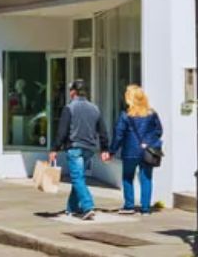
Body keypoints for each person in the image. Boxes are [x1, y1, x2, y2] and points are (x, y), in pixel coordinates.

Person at [46, 79, 111, 222]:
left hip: (74, 147)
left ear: (73, 92)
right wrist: (105, 148)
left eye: (70, 90)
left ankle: (88, 207)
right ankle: (72, 208)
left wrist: (55, 148)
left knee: (77, 178)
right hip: (89, 149)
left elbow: (62, 131)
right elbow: (103, 130)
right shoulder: (95, 108)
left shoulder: (69, 108)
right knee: (79, 178)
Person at [107, 84, 163, 215]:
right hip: (148, 151)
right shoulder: (152, 114)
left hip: (130, 151)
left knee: (127, 177)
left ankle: (129, 205)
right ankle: (145, 208)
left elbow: (118, 135)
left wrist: (111, 151)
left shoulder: (125, 115)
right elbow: (158, 131)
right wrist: (147, 142)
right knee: (146, 178)